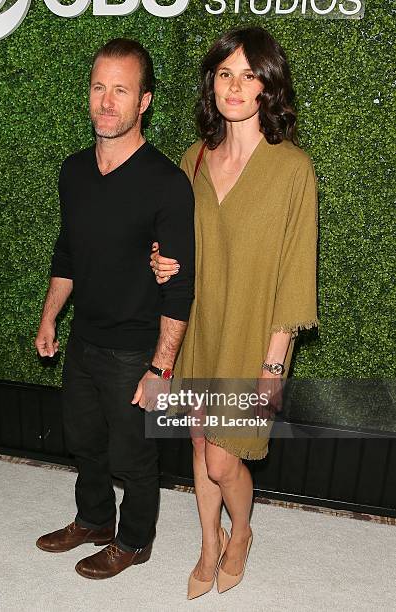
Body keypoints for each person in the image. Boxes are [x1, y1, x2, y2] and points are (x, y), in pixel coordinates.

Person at [151, 26, 318, 598]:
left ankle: (241, 532)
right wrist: (162, 262)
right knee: (199, 443)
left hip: (253, 334)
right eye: (226, 73)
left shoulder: (293, 169)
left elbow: (296, 270)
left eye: (250, 75)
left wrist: (274, 366)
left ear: (269, 87)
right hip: (200, 323)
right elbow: (182, 243)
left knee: (224, 462)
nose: (236, 86)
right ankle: (206, 544)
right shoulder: (193, 157)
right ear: (212, 83)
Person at [34, 38, 195, 580]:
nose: (106, 101)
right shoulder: (73, 171)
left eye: (120, 90)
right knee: (85, 442)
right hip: (84, 339)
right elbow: (68, 251)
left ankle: (134, 539)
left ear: (143, 101)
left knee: (133, 457)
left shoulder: (168, 184)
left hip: (135, 349)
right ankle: (96, 518)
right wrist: (51, 314)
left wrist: (160, 368)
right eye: (99, 87)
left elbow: (180, 285)